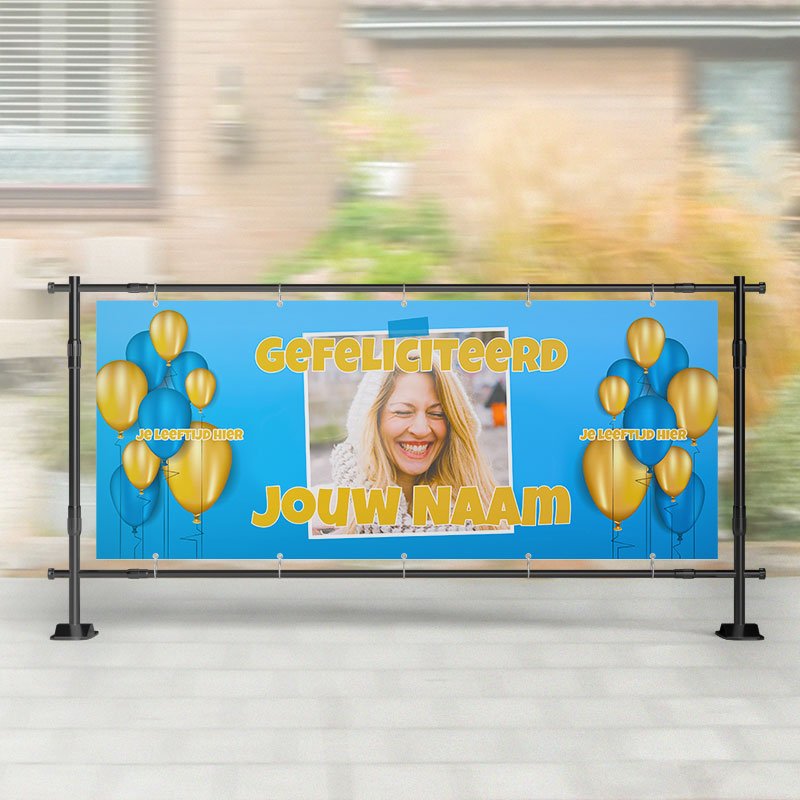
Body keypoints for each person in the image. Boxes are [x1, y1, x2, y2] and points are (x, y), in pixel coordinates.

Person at [313, 352, 497, 535]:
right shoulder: (318, 517)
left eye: (437, 414)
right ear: (372, 422)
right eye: (403, 412)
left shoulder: (491, 513)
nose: (421, 429)